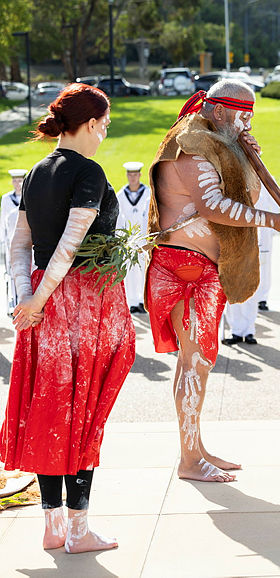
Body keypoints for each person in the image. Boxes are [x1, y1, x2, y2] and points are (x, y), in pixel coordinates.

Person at [145, 80, 280, 482]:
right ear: (218, 111)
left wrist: (247, 156)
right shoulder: (192, 144)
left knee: (196, 362)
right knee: (195, 362)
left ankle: (195, 448)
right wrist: (276, 222)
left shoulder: (214, 139)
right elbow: (213, 206)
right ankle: (188, 459)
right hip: (184, 268)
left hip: (200, 267)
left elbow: (239, 191)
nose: (245, 123)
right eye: (241, 114)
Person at [0, 83, 135, 551]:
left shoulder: (36, 172)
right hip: (82, 306)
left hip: (42, 302)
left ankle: (54, 525)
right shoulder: (90, 172)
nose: (106, 131)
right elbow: (71, 245)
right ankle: (78, 530)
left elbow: (19, 245)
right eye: (107, 124)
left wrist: (27, 298)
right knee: (83, 409)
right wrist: (34, 303)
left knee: (49, 408)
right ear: (93, 124)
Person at [222, 184, 279, 344]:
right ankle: (236, 330)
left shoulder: (263, 181)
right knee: (233, 289)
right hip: (232, 244)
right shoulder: (230, 180)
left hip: (255, 243)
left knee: (250, 291)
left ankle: (248, 330)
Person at [116, 161, 151, 313]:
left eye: (135, 174)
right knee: (130, 272)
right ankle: (132, 302)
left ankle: (143, 301)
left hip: (144, 240)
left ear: (140, 175)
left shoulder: (148, 193)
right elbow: (118, 219)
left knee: (144, 269)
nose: (133, 178)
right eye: (130, 175)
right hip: (129, 241)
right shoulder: (120, 195)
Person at [0, 168, 27, 315]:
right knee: (11, 273)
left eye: (20, 180)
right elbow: (3, 222)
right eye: (15, 181)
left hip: (26, 241)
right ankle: (15, 303)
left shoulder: (29, 197)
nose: (17, 184)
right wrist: (2, 242)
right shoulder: (6, 198)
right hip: (10, 241)